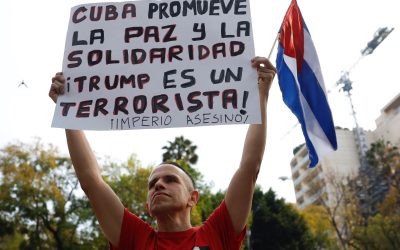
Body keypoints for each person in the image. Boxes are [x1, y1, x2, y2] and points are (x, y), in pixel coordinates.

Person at [49, 56, 276, 249]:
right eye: (152, 183)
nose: (158, 185)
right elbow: (92, 182)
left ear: (193, 197)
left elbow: (250, 168)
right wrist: (66, 111)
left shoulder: (218, 233)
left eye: (170, 180)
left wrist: (262, 96)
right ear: (148, 207)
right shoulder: (134, 239)